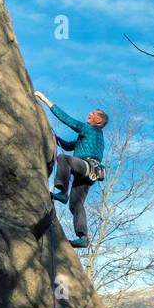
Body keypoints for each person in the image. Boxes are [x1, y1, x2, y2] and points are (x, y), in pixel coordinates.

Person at [34, 90, 108, 249]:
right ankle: (83, 237)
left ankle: (62, 192)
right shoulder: (93, 136)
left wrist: (45, 100)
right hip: (90, 174)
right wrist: (52, 136)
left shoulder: (90, 130)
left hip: (86, 167)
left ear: (98, 120)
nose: (89, 114)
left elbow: (68, 120)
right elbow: (68, 146)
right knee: (76, 205)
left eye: (93, 114)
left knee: (63, 159)